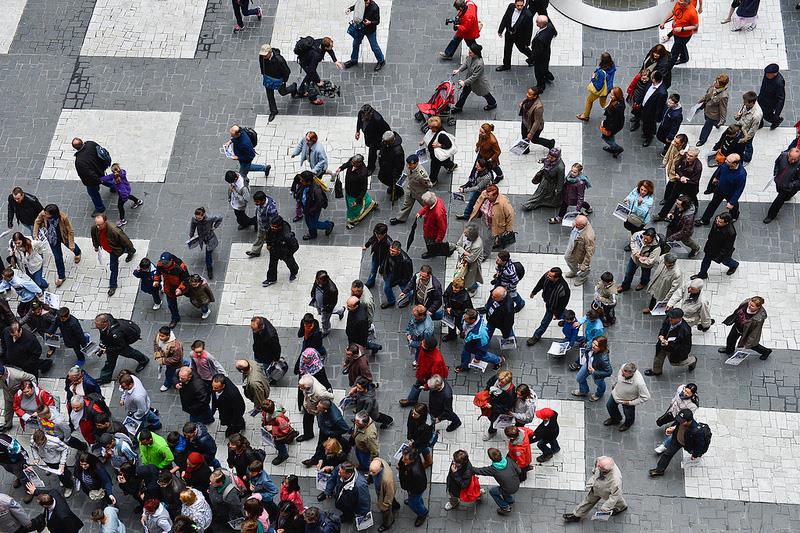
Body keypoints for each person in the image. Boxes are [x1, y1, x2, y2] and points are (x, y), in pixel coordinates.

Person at [563, 456, 627, 522]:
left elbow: (615, 495)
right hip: (596, 488)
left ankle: (622, 507)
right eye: (598, 465)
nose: (598, 467)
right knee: (588, 500)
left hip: (606, 492)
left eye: (600, 467)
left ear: (606, 470)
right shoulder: (601, 460)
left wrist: (606, 507)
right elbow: (596, 462)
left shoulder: (615, 480)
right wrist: (594, 470)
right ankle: (577, 515)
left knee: (617, 500)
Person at [649, 408, 709, 476]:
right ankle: (659, 470)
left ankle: (698, 456)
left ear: (689, 421)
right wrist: (672, 429)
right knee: (667, 454)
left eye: (682, 421)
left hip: (688, 445)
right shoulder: (681, 421)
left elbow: (699, 445)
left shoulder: (697, 431)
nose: (680, 422)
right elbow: (677, 425)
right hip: (677, 440)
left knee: (695, 453)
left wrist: (695, 455)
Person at [32, 204, 81, 287]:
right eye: (45, 213)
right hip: (52, 238)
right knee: (58, 257)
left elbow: (70, 231)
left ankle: (78, 252)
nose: (45, 215)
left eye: (47, 214)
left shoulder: (63, 218)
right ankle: (61, 276)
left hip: (63, 236)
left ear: (53, 214)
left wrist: (71, 243)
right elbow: (37, 222)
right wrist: (35, 234)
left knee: (72, 247)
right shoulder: (43, 214)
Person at [90, 212, 136, 296]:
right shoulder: (94, 228)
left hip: (115, 250)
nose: (98, 227)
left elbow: (126, 241)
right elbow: (94, 237)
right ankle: (130, 252)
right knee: (123, 253)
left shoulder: (115, 230)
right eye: (97, 224)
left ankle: (113, 285)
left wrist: (130, 247)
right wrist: (96, 246)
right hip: (109, 248)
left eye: (99, 225)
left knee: (113, 268)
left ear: (105, 222)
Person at [94, 313, 149, 384]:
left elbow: (121, 346)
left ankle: (144, 360)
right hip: (111, 344)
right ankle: (105, 378)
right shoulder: (107, 320)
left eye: (98, 325)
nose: (96, 326)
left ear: (105, 323)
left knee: (131, 353)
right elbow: (104, 333)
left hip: (119, 346)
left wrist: (107, 350)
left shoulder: (116, 333)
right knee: (110, 362)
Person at [526, 266, 571, 346]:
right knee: (563, 313)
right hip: (549, 302)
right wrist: (534, 292)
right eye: (548, 274)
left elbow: (562, 304)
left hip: (553, 307)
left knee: (545, 322)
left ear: (556, 278)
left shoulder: (563, 289)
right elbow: (540, 283)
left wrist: (556, 313)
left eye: (550, 276)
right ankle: (568, 318)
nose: (547, 276)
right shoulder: (547, 275)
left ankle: (536, 336)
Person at [697, 153, 746, 224]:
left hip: (730, 193)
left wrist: (732, 202)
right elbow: (720, 169)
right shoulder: (726, 164)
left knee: (734, 206)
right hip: (719, 190)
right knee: (712, 204)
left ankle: (734, 216)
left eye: (728, 161)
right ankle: (705, 220)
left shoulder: (741, 174)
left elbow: (739, 189)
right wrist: (716, 177)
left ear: (734, 164)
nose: (725, 161)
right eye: (726, 159)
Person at [645, 308, 696, 376]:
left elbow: (684, 345)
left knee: (676, 363)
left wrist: (668, 345)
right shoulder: (668, 319)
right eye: (670, 317)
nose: (670, 319)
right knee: (658, 357)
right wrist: (661, 335)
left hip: (674, 351)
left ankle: (692, 360)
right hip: (662, 344)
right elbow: (663, 328)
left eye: (672, 318)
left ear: (679, 318)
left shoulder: (685, 330)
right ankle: (656, 371)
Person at [656, 149, 702, 221]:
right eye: (688, 154)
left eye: (691, 156)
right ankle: (661, 215)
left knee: (691, 198)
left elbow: (695, 181)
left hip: (690, 187)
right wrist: (681, 177)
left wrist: (686, 180)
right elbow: (677, 166)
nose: (688, 157)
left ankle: (694, 207)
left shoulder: (698, 167)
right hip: (679, 183)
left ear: (696, 156)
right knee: (672, 198)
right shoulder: (684, 157)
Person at [295, 36, 343, 105]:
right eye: (331, 46)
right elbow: (312, 70)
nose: (332, 47)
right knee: (314, 80)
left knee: (310, 76)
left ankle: (301, 91)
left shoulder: (322, 41)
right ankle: (313, 99)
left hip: (308, 60)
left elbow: (330, 50)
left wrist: (335, 61)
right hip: (305, 63)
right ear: (325, 47)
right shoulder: (316, 55)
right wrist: (318, 81)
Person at [333, 154, 377, 229]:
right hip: (349, 189)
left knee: (353, 207)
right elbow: (347, 164)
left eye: (353, 163)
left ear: (359, 163)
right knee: (363, 198)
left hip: (355, 194)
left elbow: (363, 189)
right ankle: (371, 204)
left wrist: (357, 201)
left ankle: (353, 220)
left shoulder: (363, 173)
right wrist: (341, 168)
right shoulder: (352, 161)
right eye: (352, 161)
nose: (351, 163)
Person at [473, 447, 521, 516]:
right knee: (505, 488)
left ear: (491, 458)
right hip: (516, 484)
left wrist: (469, 468)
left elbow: (479, 471)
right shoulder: (509, 460)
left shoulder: (493, 469)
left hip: (507, 488)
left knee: (492, 491)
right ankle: (509, 500)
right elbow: (519, 471)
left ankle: (505, 507)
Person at [72, 137, 114, 214]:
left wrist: (98, 180)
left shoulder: (79, 161)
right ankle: (115, 186)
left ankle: (100, 208)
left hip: (93, 180)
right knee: (105, 180)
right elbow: (101, 152)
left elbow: (88, 174)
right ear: (82, 142)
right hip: (101, 170)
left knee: (93, 193)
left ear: (75, 148)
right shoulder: (90, 144)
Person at [692, 212, 739, 281]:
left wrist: (719, 256)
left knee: (726, 261)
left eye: (720, 222)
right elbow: (712, 232)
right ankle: (702, 274)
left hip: (721, 251)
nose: (717, 222)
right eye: (717, 220)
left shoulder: (731, 233)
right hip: (711, 246)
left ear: (726, 223)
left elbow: (727, 247)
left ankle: (734, 265)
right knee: (706, 260)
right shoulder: (717, 220)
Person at [655, 383, 699, 453]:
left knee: (674, 432)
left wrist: (675, 427)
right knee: (659, 421)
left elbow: (688, 416)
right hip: (672, 411)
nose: (685, 393)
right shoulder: (680, 388)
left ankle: (664, 446)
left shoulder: (693, 405)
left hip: (680, 417)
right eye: (685, 390)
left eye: (688, 393)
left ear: (693, 394)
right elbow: (675, 398)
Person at [605, 362, 650, 431]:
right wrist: (615, 385)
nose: (622, 374)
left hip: (627, 400)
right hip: (616, 394)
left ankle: (628, 424)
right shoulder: (623, 368)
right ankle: (616, 419)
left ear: (632, 373)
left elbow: (646, 396)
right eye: (622, 371)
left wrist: (631, 403)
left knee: (629, 415)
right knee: (610, 406)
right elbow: (619, 378)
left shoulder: (639, 383)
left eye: (624, 373)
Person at [451, 44, 497, 112]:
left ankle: (492, 103)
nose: (468, 54)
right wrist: (459, 70)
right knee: (464, 94)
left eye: (470, 52)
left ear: (475, 53)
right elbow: (466, 63)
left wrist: (464, 82)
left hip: (478, 83)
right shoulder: (470, 57)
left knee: (485, 93)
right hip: (469, 82)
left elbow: (474, 77)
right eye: (469, 51)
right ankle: (458, 107)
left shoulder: (479, 64)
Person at [390, 154, 432, 225]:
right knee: (407, 204)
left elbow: (429, 184)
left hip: (420, 193)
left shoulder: (421, 174)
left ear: (416, 163)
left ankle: (434, 217)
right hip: (411, 190)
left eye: (410, 164)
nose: (408, 166)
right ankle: (400, 218)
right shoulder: (410, 168)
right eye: (408, 164)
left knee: (428, 206)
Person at [258, 44, 296, 122]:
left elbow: (287, 71)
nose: (263, 57)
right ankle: (273, 111)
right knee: (270, 96)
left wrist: (284, 81)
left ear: (270, 52)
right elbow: (261, 65)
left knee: (283, 92)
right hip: (268, 79)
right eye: (263, 55)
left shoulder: (279, 60)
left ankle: (293, 87)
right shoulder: (262, 57)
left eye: (265, 55)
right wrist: (263, 73)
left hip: (278, 80)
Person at [29, 430, 72, 497]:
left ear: (44, 439)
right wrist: (36, 458)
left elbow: (65, 448)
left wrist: (62, 463)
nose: (38, 446)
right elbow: (33, 447)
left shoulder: (55, 442)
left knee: (64, 475)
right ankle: (65, 476)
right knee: (59, 472)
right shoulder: (33, 441)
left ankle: (68, 486)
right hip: (46, 460)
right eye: (36, 444)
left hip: (57, 462)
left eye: (39, 444)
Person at [344, 0, 385, 70]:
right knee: (355, 44)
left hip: (370, 30)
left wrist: (370, 22)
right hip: (360, 28)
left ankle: (381, 61)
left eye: (367, 3)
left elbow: (377, 21)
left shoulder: (375, 7)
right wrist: (350, 9)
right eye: (364, 3)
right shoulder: (361, 2)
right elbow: (357, 6)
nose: (365, 5)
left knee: (374, 47)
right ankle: (354, 60)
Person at [260, 215, 300, 287]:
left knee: (290, 263)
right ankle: (271, 279)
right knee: (272, 265)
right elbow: (268, 235)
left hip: (285, 253)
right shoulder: (271, 228)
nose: (272, 228)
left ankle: (294, 272)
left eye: (275, 227)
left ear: (280, 227)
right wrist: (268, 244)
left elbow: (295, 246)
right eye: (272, 226)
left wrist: (288, 253)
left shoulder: (287, 235)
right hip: (274, 249)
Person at [618, 228, 662, 292]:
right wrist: (635, 252)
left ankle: (643, 283)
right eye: (645, 238)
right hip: (634, 258)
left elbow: (651, 261)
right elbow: (633, 240)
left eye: (648, 240)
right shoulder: (639, 234)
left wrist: (640, 258)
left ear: (652, 239)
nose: (645, 241)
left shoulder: (656, 248)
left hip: (646, 264)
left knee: (645, 275)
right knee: (628, 273)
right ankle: (625, 286)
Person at [99, 163, 143, 227]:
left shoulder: (119, 183)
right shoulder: (121, 172)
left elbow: (123, 191)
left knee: (120, 206)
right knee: (129, 196)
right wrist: (101, 179)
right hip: (127, 189)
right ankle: (138, 201)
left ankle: (122, 220)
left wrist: (124, 198)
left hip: (123, 194)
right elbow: (109, 177)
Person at [154, 252, 190, 328]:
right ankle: (175, 318)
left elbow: (186, 279)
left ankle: (203, 304)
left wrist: (180, 289)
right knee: (171, 305)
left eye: (166, 263)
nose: (164, 265)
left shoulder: (180, 267)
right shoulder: (160, 264)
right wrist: (156, 280)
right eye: (163, 263)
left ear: (171, 260)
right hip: (169, 287)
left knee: (192, 295)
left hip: (182, 286)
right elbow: (158, 273)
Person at [577, 52, 616, 121]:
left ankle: (585, 116)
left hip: (601, 90)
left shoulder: (602, 72)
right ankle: (614, 113)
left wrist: (593, 78)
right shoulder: (612, 66)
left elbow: (598, 86)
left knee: (589, 100)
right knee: (603, 104)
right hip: (607, 88)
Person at [764, 148, 800, 224]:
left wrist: (791, 185)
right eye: (792, 159)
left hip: (788, 186)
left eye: (795, 159)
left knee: (778, 201)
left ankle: (771, 215)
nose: (793, 161)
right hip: (779, 181)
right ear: (788, 154)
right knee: (783, 194)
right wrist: (775, 173)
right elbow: (777, 164)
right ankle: (789, 196)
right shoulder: (783, 156)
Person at [571, 336, 612, 402]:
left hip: (597, 370)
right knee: (579, 378)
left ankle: (599, 394)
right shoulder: (590, 345)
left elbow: (609, 372)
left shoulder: (604, 359)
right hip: (588, 365)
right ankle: (583, 391)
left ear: (601, 347)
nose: (593, 346)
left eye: (596, 345)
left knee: (600, 384)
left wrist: (594, 372)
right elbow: (587, 349)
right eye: (593, 343)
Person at [497, 0, 533, 71]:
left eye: (521, 5)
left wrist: (527, 43)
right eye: (518, 5)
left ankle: (533, 58)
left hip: (519, 36)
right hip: (509, 33)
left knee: (522, 49)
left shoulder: (528, 14)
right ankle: (506, 65)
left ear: (523, 4)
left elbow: (529, 30)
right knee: (507, 50)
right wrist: (500, 30)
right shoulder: (511, 6)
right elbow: (505, 18)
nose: (519, 7)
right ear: (515, 3)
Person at [660, 0, 698, 67]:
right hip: (676, 32)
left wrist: (682, 29)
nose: (678, 2)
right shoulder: (678, 3)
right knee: (681, 45)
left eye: (681, 2)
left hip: (684, 36)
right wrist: (663, 21)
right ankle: (684, 58)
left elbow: (695, 26)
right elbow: (673, 12)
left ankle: (668, 67)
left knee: (674, 52)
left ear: (687, 2)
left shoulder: (692, 13)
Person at [188, 207, 222, 280]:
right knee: (209, 249)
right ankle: (211, 250)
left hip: (209, 237)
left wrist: (215, 227)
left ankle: (209, 268)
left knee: (208, 255)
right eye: (197, 218)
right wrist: (191, 236)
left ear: (203, 215)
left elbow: (220, 218)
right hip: (201, 237)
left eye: (199, 218)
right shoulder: (194, 219)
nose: (198, 219)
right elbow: (192, 227)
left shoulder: (210, 218)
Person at [355, 104, 391, 174]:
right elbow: (359, 121)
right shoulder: (361, 113)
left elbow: (386, 129)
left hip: (375, 138)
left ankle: (370, 168)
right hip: (368, 135)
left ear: (370, 114)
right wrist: (357, 131)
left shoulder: (378, 119)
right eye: (362, 115)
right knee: (369, 145)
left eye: (364, 115)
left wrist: (384, 140)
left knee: (372, 152)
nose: (362, 117)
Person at [420, 116, 457, 185]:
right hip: (436, 154)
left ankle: (433, 180)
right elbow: (429, 135)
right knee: (445, 161)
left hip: (437, 157)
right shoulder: (433, 130)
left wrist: (439, 145)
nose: (429, 128)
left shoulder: (441, 135)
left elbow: (449, 145)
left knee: (434, 168)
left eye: (430, 127)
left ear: (435, 128)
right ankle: (452, 166)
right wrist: (423, 141)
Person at [696, 74, 730, 146]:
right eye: (715, 81)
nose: (714, 82)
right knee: (709, 120)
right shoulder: (713, 87)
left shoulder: (724, 96)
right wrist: (701, 100)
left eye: (716, 82)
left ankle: (702, 140)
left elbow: (723, 108)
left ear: (721, 85)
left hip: (713, 115)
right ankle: (717, 124)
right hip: (707, 109)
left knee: (706, 127)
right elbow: (707, 95)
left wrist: (722, 120)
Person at [398, 449, 429, 526]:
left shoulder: (415, 473)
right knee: (417, 499)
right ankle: (417, 502)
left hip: (416, 489)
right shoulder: (414, 456)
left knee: (413, 503)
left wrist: (409, 490)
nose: (403, 460)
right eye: (403, 457)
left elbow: (411, 484)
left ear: (412, 460)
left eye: (405, 459)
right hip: (415, 487)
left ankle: (423, 513)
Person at [299, 171, 334, 240]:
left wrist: (311, 210)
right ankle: (313, 234)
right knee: (308, 221)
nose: (300, 181)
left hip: (313, 210)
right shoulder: (305, 185)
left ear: (308, 182)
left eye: (302, 180)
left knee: (313, 224)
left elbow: (319, 203)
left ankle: (328, 225)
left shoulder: (316, 190)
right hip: (306, 208)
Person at [518, 87, 555, 153]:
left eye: (529, 94)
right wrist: (522, 106)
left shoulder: (539, 107)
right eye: (527, 93)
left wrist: (531, 133)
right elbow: (525, 105)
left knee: (534, 139)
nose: (527, 95)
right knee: (524, 136)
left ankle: (550, 143)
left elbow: (537, 122)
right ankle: (526, 150)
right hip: (526, 122)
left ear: (535, 96)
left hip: (535, 126)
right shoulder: (527, 99)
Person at [369, 457, 399, 532]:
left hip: (385, 493)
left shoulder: (387, 480)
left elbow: (389, 494)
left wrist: (385, 505)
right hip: (383, 489)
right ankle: (396, 505)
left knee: (386, 511)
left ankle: (387, 523)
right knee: (392, 500)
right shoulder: (378, 461)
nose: (371, 473)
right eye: (370, 471)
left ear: (380, 469)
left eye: (373, 472)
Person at [563, 215, 595, 286]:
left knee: (583, 268)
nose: (574, 224)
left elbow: (589, 252)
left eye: (577, 224)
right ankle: (574, 271)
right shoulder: (578, 222)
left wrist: (585, 264)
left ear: (583, 225)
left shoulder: (589, 236)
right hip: (572, 246)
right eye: (575, 222)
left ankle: (583, 278)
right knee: (567, 258)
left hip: (580, 252)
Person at [246, 190, 279, 257]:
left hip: (267, 228)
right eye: (255, 201)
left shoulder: (271, 209)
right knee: (260, 237)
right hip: (261, 224)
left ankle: (275, 249)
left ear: (263, 200)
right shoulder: (261, 201)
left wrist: (268, 231)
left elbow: (273, 221)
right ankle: (256, 251)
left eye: (257, 202)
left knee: (270, 239)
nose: (255, 203)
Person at [529, 15, 557, 92]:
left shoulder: (539, 39)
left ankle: (541, 86)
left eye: (537, 22)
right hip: (546, 52)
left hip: (540, 58)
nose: (536, 22)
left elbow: (537, 52)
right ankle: (548, 75)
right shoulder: (550, 26)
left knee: (538, 72)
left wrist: (531, 59)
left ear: (542, 25)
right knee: (545, 66)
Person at [640, 70, 667, 147]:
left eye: (651, 77)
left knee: (649, 126)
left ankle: (649, 137)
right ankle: (646, 133)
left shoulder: (662, 93)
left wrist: (655, 118)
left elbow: (660, 107)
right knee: (645, 123)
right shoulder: (651, 83)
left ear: (654, 80)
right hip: (644, 108)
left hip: (651, 113)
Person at [733, 91, 762, 163]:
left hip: (747, 133)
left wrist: (745, 139)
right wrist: (737, 116)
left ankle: (747, 159)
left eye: (745, 102)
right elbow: (740, 112)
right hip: (740, 127)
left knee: (748, 145)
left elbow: (753, 130)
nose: (744, 103)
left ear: (751, 103)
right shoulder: (746, 104)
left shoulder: (757, 115)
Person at [377, 131, 405, 200]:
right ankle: (392, 186)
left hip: (391, 171)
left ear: (391, 141)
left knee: (393, 183)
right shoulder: (385, 143)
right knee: (382, 178)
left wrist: (396, 174)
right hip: (385, 167)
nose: (384, 143)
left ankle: (398, 192)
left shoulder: (398, 151)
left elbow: (399, 165)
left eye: (386, 142)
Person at [757, 64, 785, 129]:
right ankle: (760, 124)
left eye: (768, 74)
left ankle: (777, 120)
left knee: (766, 115)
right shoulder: (767, 75)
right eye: (766, 74)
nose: (766, 75)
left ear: (775, 74)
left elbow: (781, 99)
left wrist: (777, 114)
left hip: (769, 103)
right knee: (758, 111)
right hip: (762, 97)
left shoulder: (779, 83)